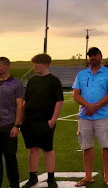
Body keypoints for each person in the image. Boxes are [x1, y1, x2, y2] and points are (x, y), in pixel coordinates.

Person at [72, 47, 108, 187]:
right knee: (86, 146)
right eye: (90, 55)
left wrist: (95, 107)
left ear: (100, 56)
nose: (92, 57)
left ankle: (107, 176)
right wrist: (88, 106)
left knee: (106, 145)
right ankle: (88, 176)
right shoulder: (81, 74)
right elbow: (76, 95)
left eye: (95, 55)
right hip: (85, 116)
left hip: (102, 116)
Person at [21, 54, 64, 188]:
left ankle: (51, 178)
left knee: (48, 149)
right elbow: (25, 101)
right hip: (29, 121)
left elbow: (59, 101)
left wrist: (52, 120)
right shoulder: (32, 81)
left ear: (45, 64)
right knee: (32, 149)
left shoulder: (54, 81)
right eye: (34, 63)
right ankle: (33, 177)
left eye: (37, 63)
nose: (34, 66)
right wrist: (22, 119)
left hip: (45, 121)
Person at [0, 57, 24, 188]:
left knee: (10, 158)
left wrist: (16, 125)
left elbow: (20, 105)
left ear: (7, 66)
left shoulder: (16, 83)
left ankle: (14, 185)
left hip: (9, 125)